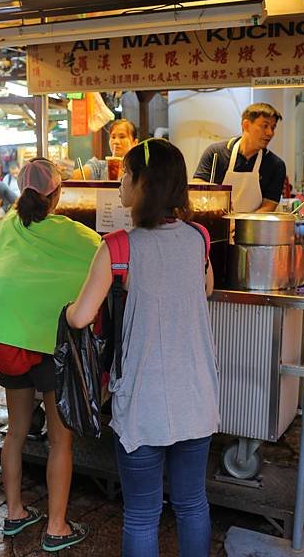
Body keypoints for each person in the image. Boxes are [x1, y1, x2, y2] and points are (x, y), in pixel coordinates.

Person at [67, 138, 220, 557]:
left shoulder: (118, 246)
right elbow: (205, 290)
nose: (119, 185)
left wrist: (64, 312)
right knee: (191, 504)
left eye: (125, 176)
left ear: (143, 183)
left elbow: (81, 317)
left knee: (141, 514)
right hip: (195, 392)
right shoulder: (199, 237)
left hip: (142, 397)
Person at [0, 158, 101, 552]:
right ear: (58, 193)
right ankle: (56, 526)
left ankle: (15, 513)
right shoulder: (77, 234)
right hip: (50, 345)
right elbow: (105, 264)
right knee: (60, 441)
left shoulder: (8, 226)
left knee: (16, 431)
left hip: (9, 339)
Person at [193, 103, 285, 213]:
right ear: (246, 125)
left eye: (273, 128)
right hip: (217, 223)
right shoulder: (215, 154)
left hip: (252, 228)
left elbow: (269, 206)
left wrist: (242, 225)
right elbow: (196, 188)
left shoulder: (276, 165)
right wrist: (218, 200)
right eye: (264, 126)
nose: (270, 133)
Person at [73, 119, 138, 180]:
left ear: (135, 143)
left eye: (122, 137)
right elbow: (76, 175)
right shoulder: (99, 167)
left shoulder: (140, 171)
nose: (116, 141)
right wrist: (66, 174)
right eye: (113, 137)